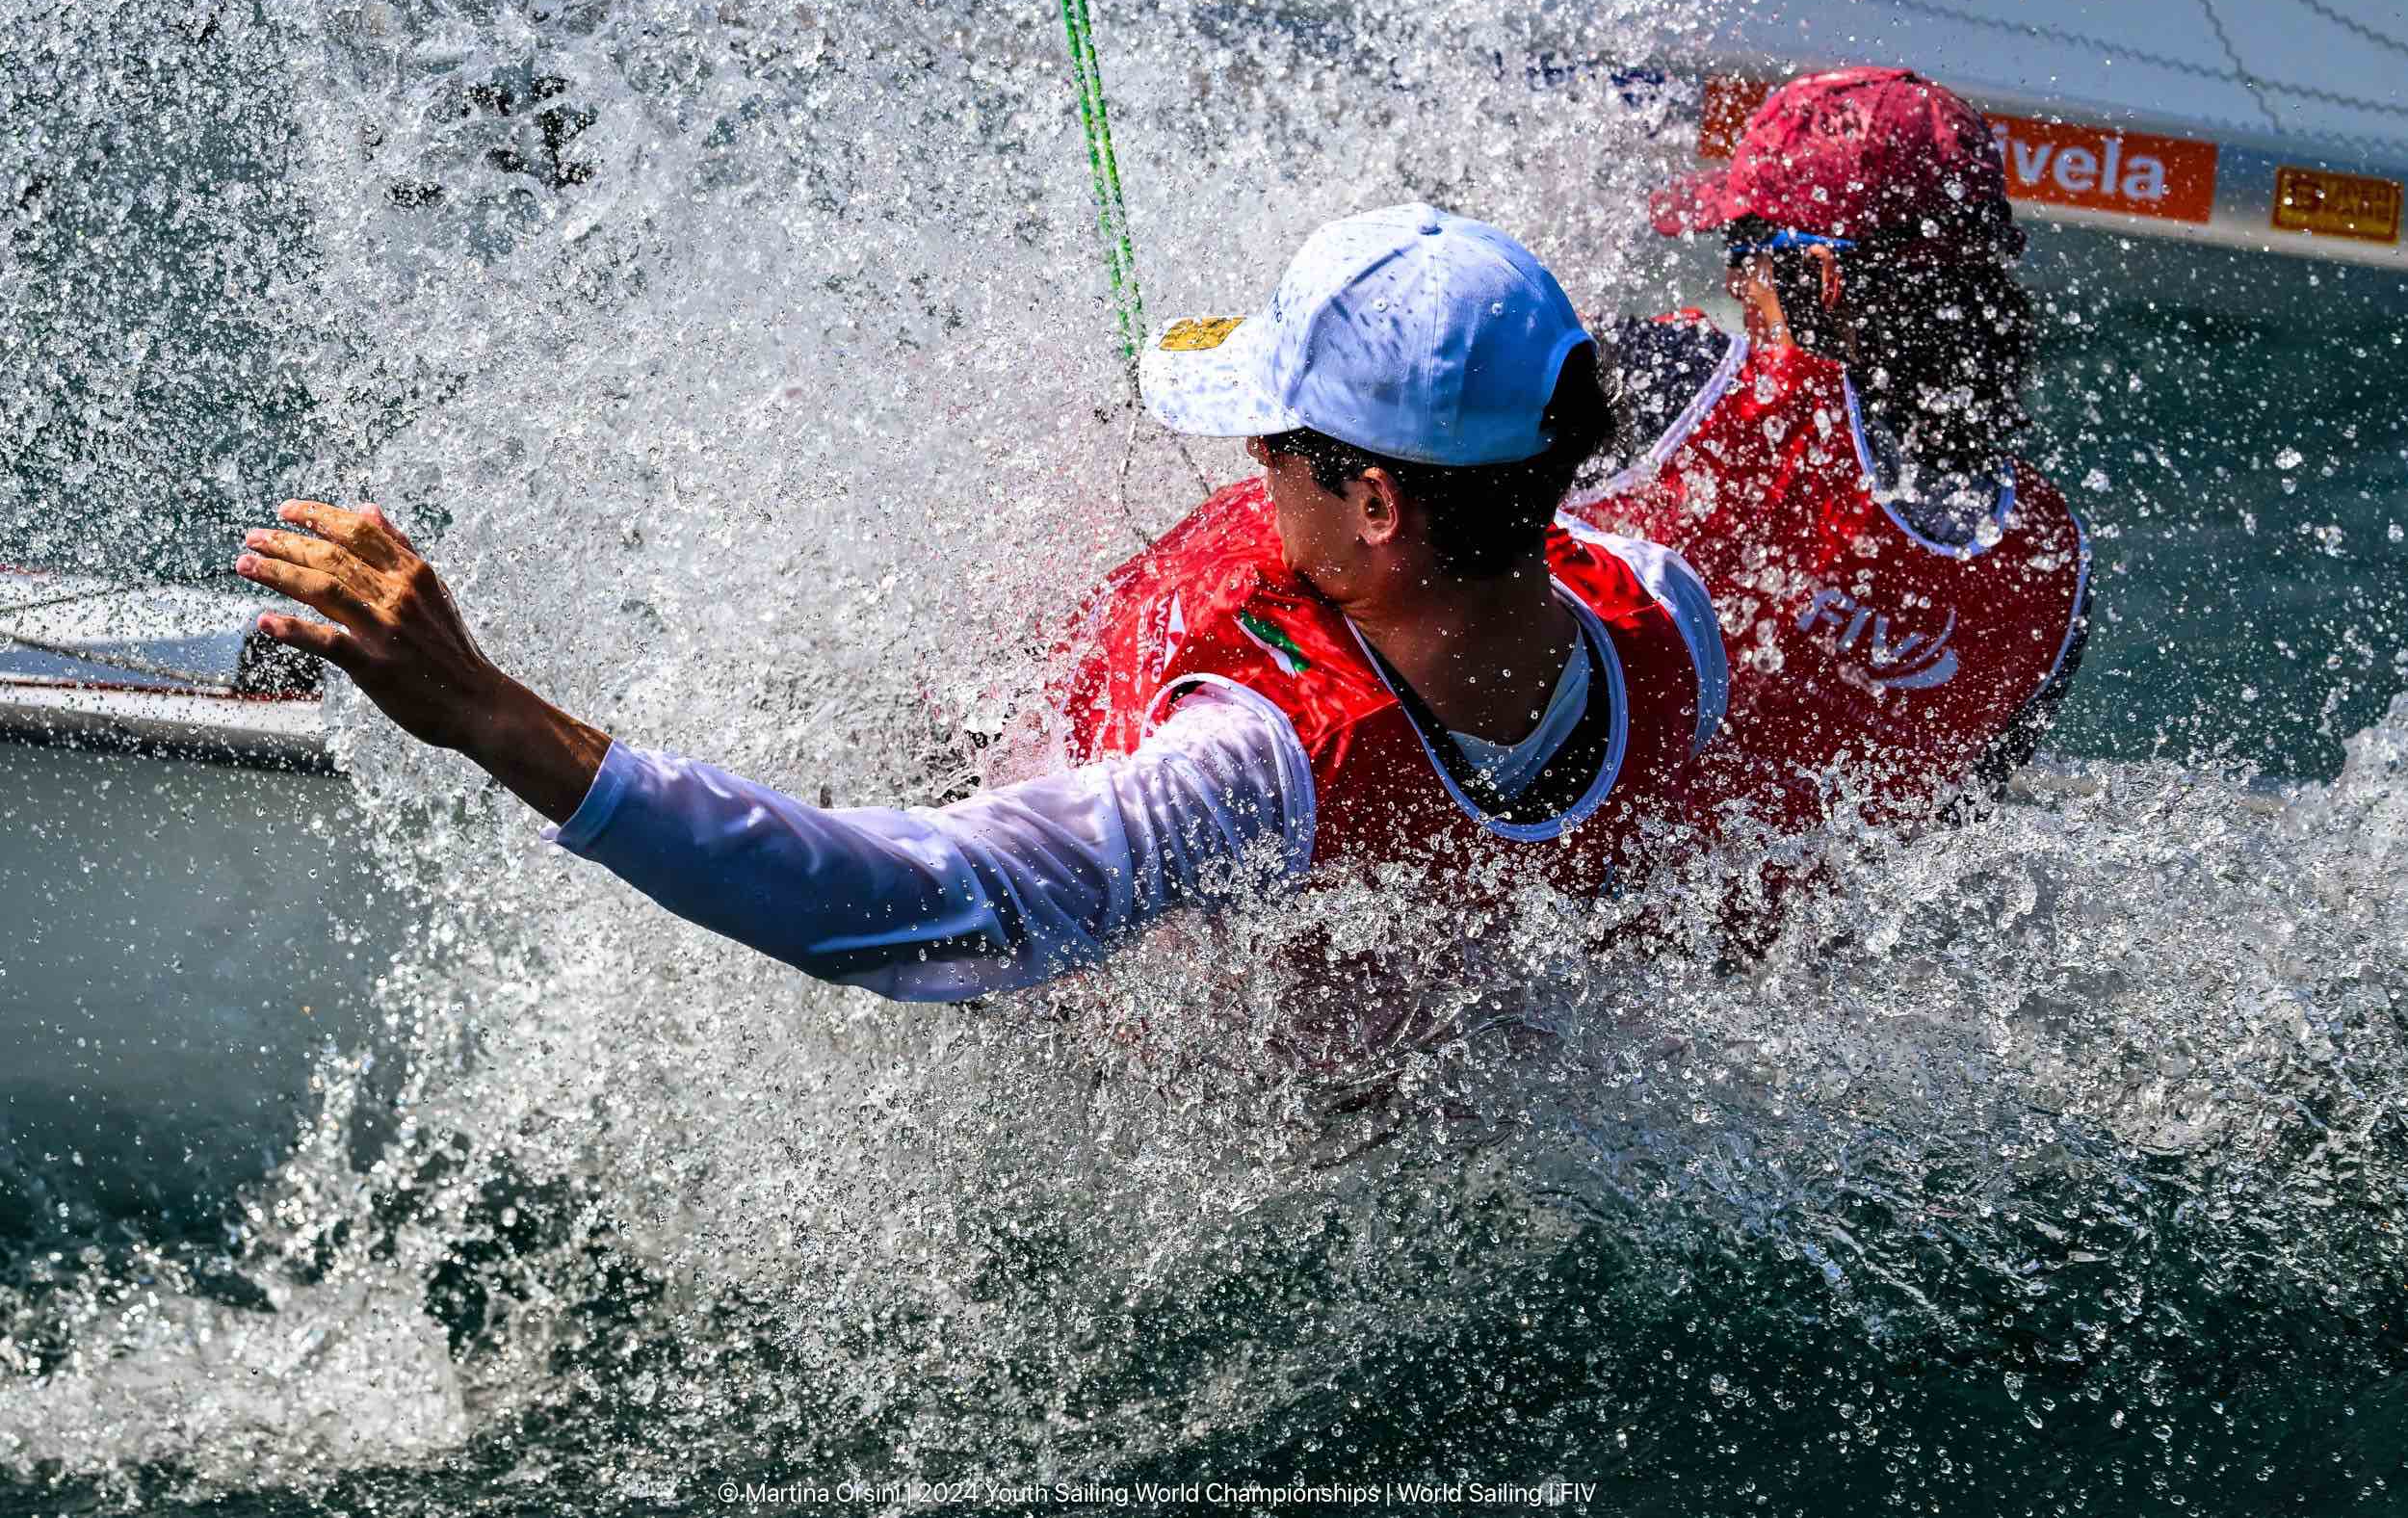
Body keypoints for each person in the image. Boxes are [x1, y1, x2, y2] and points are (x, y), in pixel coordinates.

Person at [236, 204, 1727, 1010]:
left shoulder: (1256, 767)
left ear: (1382, 505)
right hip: (998, 740)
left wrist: (487, 710)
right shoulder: (1666, 618)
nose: (1250, 465)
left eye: (1274, 437)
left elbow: (899, 902)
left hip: (1079, 973)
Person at [1571, 67, 2091, 834]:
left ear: (1821, 276)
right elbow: (1949, 835)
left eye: (1742, 249)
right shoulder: (2054, 567)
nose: (1730, 281)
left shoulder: (1676, 384)